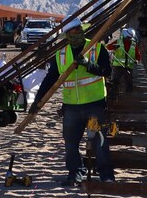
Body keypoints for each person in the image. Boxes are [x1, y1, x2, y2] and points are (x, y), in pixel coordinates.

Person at [32, 18, 115, 185]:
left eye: (78, 30)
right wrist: (37, 100)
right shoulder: (61, 54)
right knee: (71, 143)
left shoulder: (96, 48)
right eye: (72, 32)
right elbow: (50, 79)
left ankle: (106, 175)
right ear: (67, 35)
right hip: (72, 109)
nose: (76, 33)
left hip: (94, 106)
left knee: (98, 141)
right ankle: (75, 173)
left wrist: (88, 64)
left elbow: (107, 71)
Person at [107, 28, 141, 94]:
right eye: (128, 37)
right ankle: (114, 93)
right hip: (118, 65)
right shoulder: (118, 41)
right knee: (115, 81)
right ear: (125, 36)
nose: (129, 39)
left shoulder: (133, 44)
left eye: (130, 38)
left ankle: (129, 95)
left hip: (129, 66)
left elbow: (138, 55)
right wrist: (113, 47)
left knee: (129, 81)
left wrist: (137, 60)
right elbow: (108, 47)